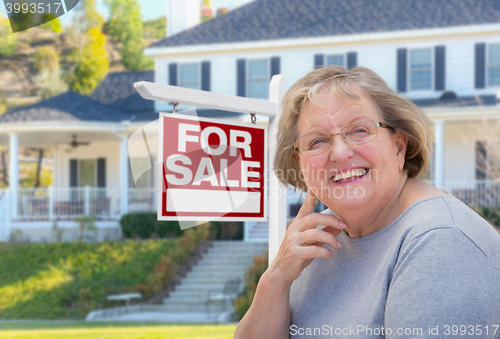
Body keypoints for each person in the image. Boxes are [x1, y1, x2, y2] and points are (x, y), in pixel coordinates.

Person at [233, 66, 500, 339]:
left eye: (359, 130)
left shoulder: (439, 241)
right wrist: (276, 278)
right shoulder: (315, 243)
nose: (339, 153)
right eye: (317, 141)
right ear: (300, 164)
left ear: (398, 147)